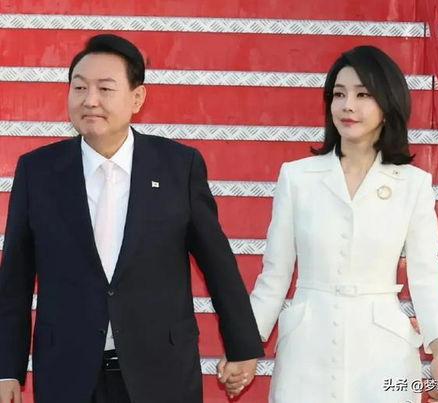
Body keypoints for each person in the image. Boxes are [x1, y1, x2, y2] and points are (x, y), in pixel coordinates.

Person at [0, 34, 263, 403]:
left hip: (162, 372)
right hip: (68, 373)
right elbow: (14, 280)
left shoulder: (178, 166)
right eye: (79, 87)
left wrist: (242, 346)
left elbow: (217, 263)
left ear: (137, 98)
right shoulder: (38, 171)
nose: (90, 100)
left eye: (105, 88)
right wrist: (6, 369)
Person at [223, 46, 438, 402]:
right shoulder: (297, 177)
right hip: (306, 350)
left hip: (384, 354)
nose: (347, 106)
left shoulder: (413, 184)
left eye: (363, 95)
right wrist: (245, 346)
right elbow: (274, 276)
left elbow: (426, 273)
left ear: (388, 104)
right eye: (339, 94)